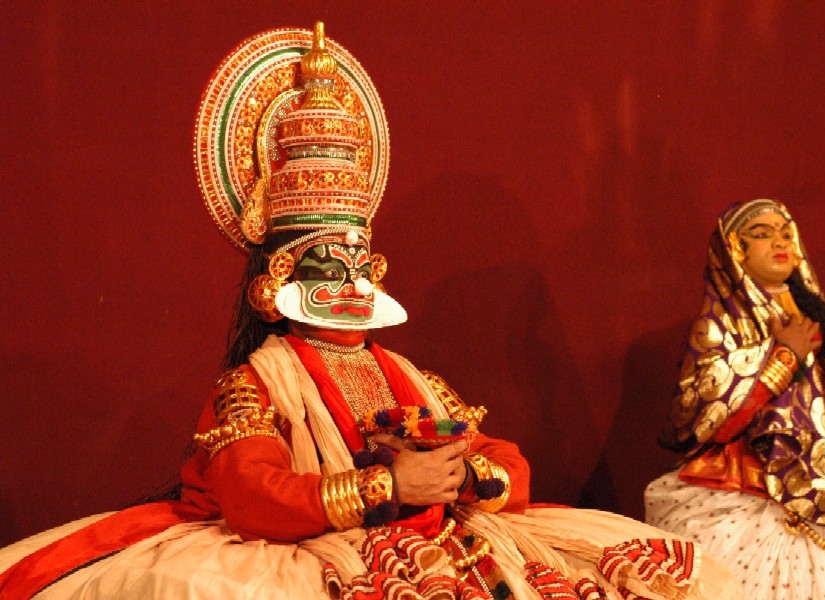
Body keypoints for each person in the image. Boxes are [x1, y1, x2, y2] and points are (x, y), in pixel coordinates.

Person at [0, 23, 742, 599]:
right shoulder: (256, 382)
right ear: (275, 282)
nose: (353, 282)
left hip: (441, 539)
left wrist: (460, 478)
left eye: (362, 264)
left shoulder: (406, 374)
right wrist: (388, 489)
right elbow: (253, 494)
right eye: (332, 265)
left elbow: (505, 461)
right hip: (313, 549)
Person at [645, 198, 825, 599]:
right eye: (761, 235)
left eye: (785, 233)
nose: (779, 242)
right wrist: (785, 358)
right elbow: (704, 418)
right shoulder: (718, 326)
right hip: (751, 492)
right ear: (735, 249)